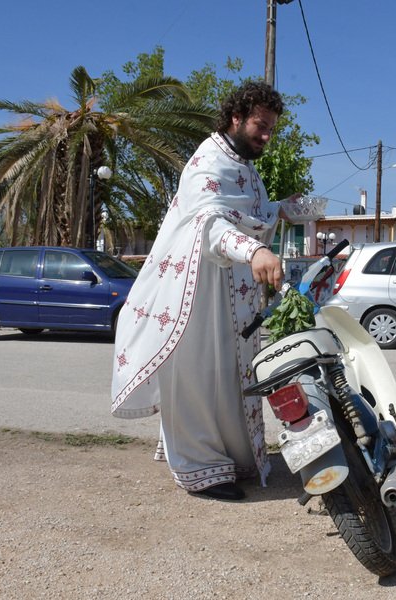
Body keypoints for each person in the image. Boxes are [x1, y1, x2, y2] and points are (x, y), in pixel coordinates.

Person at [110, 81, 293, 501]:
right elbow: (210, 224)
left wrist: (279, 207)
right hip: (196, 294)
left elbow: (244, 213)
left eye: (271, 128)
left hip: (233, 292)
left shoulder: (243, 165)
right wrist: (256, 250)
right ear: (236, 117)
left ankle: (229, 458)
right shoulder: (208, 160)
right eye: (260, 126)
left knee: (228, 379)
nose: (266, 135)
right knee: (196, 378)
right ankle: (200, 469)